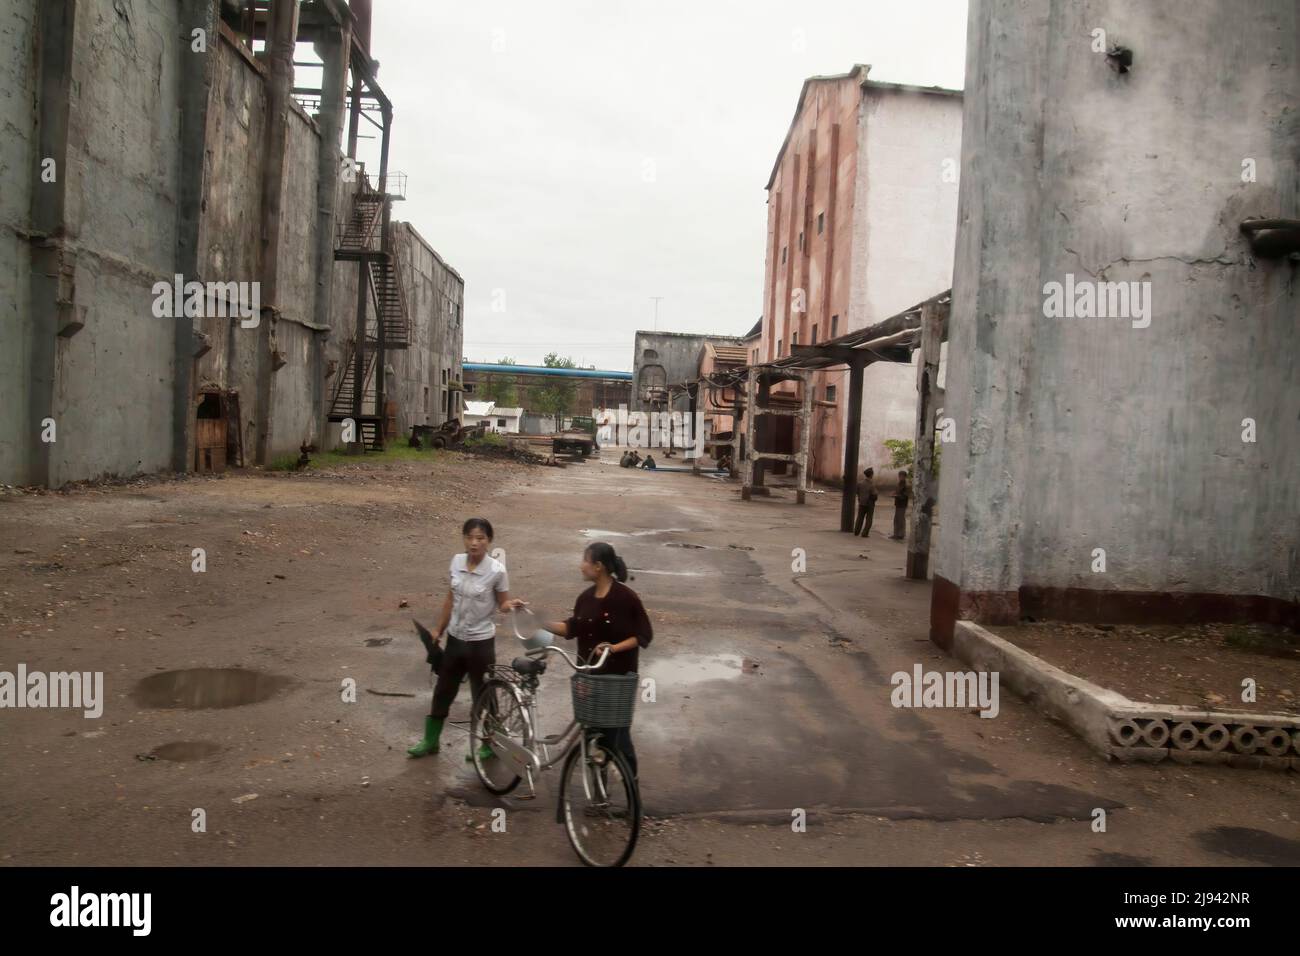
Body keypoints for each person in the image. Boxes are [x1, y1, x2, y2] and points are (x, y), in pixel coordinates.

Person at [408, 517, 523, 758]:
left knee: (482, 693)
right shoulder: (457, 561)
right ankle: (430, 741)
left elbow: (502, 604)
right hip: (455, 640)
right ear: (464, 538)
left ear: (489, 541)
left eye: (480, 538)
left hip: (481, 643)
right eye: (469, 537)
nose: (474, 543)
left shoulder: (496, 571)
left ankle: (488, 742)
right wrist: (438, 630)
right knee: (443, 690)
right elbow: (450, 599)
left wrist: (511, 605)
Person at [544, 542, 652, 776]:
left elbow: (643, 635)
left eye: (585, 560)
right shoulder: (585, 598)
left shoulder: (626, 598)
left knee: (619, 738)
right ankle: (600, 794)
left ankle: (632, 797)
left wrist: (613, 648)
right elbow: (572, 627)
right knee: (593, 736)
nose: (581, 566)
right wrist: (539, 622)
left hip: (617, 681)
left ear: (599, 566)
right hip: (589, 678)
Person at [854, 467, 877, 537]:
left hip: (861, 502)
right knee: (869, 519)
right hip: (869, 503)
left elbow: (857, 492)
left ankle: (856, 531)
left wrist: (860, 498)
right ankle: (865, 533)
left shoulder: (860, 483)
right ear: (871, 475)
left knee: (860, 517)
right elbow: (874, 494)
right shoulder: (871, 484)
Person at [890, 470, 911, 540]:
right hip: (898, 503)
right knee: (896, 519)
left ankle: (900, 534)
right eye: (899, 476)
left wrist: (896, 496)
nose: (900, 477)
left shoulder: (906, 485)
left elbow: (905, 496)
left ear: (904, 477)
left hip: (902, 504)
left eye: (901, 476)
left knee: (901, 519)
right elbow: (897, 491)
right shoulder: (899, 484)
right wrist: (894, 493)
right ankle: (896, 533)